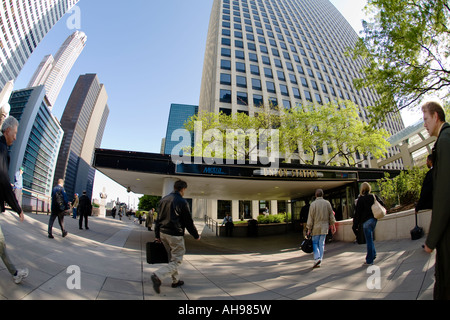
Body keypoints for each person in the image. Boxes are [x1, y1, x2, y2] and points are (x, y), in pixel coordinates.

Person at [422, 101, 450, 300]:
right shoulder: (442, 141)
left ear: (436, 117)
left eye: (425, 119)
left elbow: (444, 193)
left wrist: (431, 239)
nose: (424, 124)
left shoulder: (445, 140)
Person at [151, 180, 200, 294]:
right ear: (183, 189)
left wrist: (157, 235)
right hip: (175, 234)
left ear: (174, 187)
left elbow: (158, 220)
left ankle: (175, 281)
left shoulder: (163, 200)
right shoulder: (182, 202)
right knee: (177, 260)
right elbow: (188, 221)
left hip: (163, 233)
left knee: (171, 259)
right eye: (185, 190)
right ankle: (158, 275)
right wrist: (196, 235)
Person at [0, 117, 29, 284]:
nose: (16, 137)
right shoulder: (2, 148)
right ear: (7, 131)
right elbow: (3, 179)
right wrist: (17, 208)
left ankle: (15, 273)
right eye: (15, 133)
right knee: (1, 242)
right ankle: (15, 273)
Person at [354, 182, 385, 266]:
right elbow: (382, 204)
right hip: (374, 220)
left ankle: (369, 260)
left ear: (362, 189)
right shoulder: (373, 196)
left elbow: (357, 214)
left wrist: (355, 225)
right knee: (370, 239)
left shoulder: (361, 199)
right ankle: (373, 254)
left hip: (366, 222)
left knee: (369, 240)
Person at [306, 189, 336, 269]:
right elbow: (331, 215)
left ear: (316, 195)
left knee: (315, 243)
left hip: (316, 227)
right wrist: (333, 225)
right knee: (321, 243)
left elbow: (310, 217)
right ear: (322, 195)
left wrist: (309, 228)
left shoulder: (313, 204)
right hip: (324, 226)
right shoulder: (327, 203)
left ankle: (317, 258)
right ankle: (320, 260)